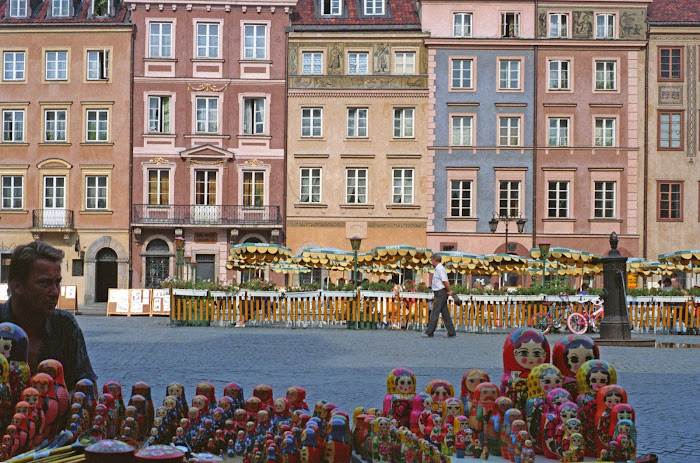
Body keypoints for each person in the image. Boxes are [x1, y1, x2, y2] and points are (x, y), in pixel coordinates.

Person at [0, 241, 97, 390]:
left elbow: (86, 389)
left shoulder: (64, 325)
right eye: (44, 283)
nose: (55, 292)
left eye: (57, 283)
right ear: (18, 286)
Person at [422, 254, 457, 338]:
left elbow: (445, 282)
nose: (431, 262)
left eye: (431, 260)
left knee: (435, 313)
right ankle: (451, 332)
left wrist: (448, 290)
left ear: (434, 260)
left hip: (441, 292)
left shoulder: (440, 269)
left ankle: (429, 332)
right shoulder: (438, 269)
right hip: (439, 293)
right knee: (445, 314)